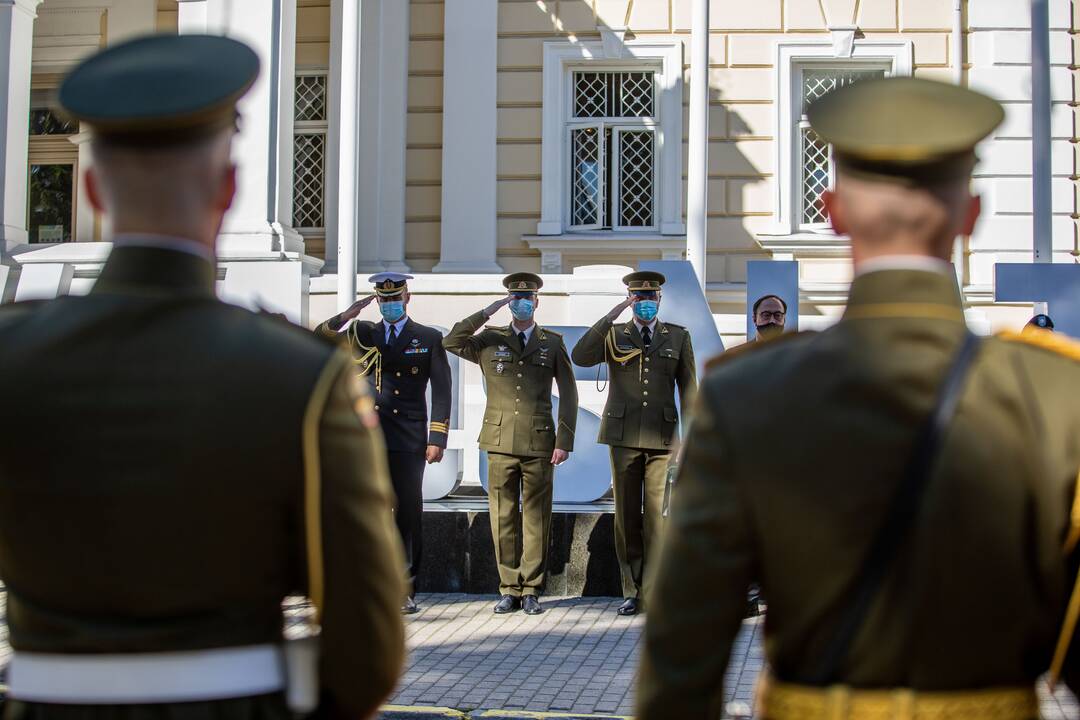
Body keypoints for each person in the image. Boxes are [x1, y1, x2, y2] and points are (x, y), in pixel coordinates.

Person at [638, 76, 1080, 719]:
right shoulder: (1056, 390)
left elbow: (683, 651)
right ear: (970, 215)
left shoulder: (748, 393)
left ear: (834, 210)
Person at [0, 34, 405, 720]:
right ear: (228, 188)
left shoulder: (13, 357)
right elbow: (366, 644)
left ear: (94, 190)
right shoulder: (299, 375)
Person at [315, 273, 452, 614]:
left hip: (408, 437)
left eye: (395, 299)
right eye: (384, 300)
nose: (390, 306)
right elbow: (319, 339)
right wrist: (346, 316)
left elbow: (443, 391)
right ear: (376, 301)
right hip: (369, 436)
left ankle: (405, 587)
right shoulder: (363, 334)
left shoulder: (427, 337)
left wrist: (437, 437)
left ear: (407, 298)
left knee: (407, 510)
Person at [443, 272, 578, 615]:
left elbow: (570, 394)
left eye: (526, 297)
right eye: (514, 298)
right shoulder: (489, 340)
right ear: (508, 301)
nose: (520, 302)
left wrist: (564, 440)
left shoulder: (552, 342)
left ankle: (531, 588)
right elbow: (453, 341)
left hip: (539, 443)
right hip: (500, 441)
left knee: (535, 518)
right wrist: (487, 311)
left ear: (536, 301)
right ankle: (508, 588)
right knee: (502, 517)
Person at [570, 271, 696, 616]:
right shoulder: (614, 334)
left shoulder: (677, 337)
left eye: (649, 298)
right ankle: (632, 589)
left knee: (658, 518)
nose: (644, 305)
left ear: (659, 300)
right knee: (626, 517)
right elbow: (580, 355)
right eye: (637, 299)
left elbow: (689, 391)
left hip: (663, 439)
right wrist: (611, 314)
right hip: (623, 437)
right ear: (630, 301)